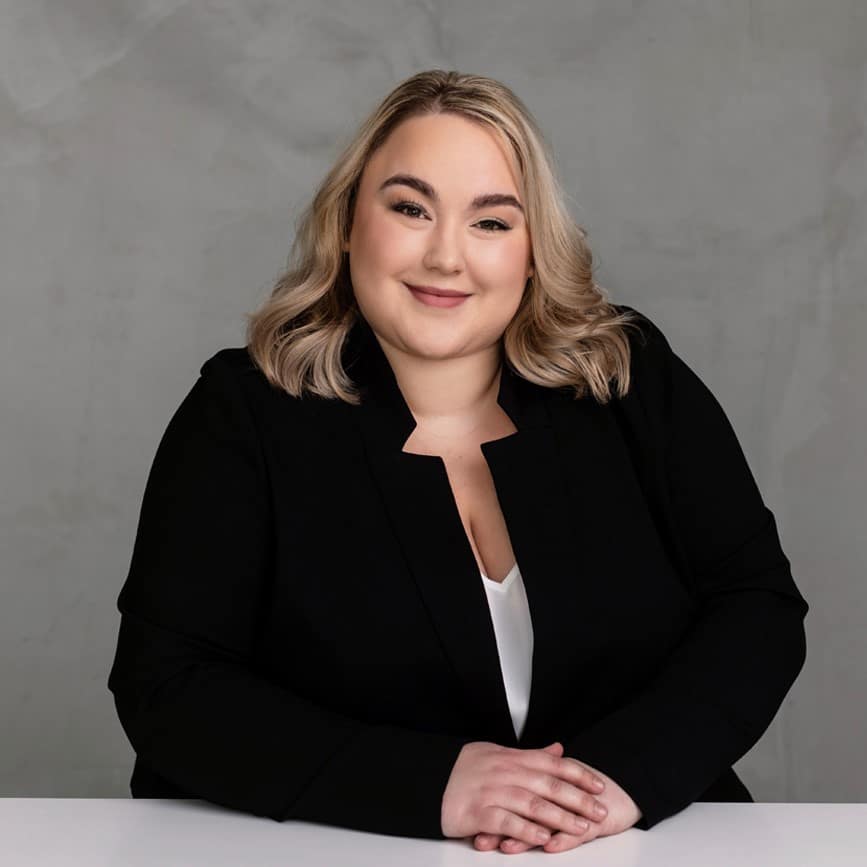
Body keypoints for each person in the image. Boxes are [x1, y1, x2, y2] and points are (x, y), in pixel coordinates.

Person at [107, 70, 809, 855]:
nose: (446, 256)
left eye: (491, 221)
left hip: (627, 845)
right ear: (347, 224)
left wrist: (620, 778)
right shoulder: (242, 412)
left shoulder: (627, 376)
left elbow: (754, 605)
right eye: (409, 208)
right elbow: (167, 683)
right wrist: (429, 783)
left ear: (533, 251)